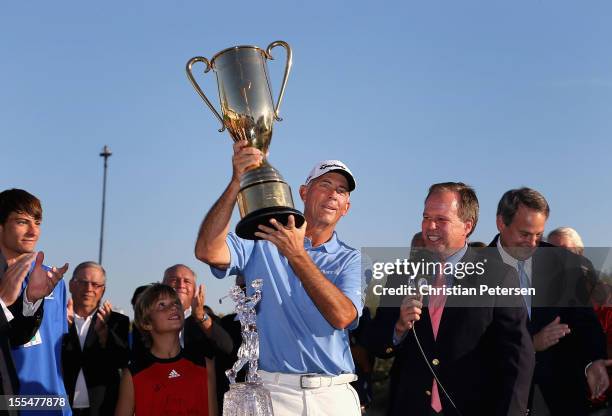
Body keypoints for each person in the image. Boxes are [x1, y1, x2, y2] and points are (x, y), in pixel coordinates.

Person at [195, 141, 363, 416]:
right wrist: (237, 181)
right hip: (274, 392)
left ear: (346, 207)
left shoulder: (350, 258)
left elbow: (342, 316)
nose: (334, 193)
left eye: (341, 190)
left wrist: (296, 255)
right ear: (303, 193)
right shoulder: (262, 238)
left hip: (333, 394)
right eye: (325, 184)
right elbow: (206, 250)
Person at [366, 182, 535, 415]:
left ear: (467, 225)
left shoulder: (500, 276)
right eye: (426, 217)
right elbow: (376, 343)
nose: (430, 226)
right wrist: (399, 328)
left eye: (441, 220)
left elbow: (517, 359)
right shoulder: (402, 274)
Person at [489, 187, 610, 415]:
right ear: (501, 223)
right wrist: (530, 344)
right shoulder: (474, 271)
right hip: (500, 398)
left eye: (538, 235)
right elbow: (470, 344)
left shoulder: (564, 264)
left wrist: (593, 362)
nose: (533, 244)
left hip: (561, 398)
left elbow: (586, 323)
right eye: (525, 234)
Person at [0, 189, 70, 416]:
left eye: (37, 223)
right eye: (22, 222)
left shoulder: (53, 281)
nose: (33, 231)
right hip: (9, 402)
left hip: (50, 403)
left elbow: (54, 350)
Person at [115, 283, 208, 416]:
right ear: (146, 323)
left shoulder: (204, 365)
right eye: (162, 305)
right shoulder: (132, 374)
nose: (174, 307)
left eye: (176, 303)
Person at [62, 261, 129, 416]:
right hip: (60, 406)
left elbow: (122, 360)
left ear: (103, 290)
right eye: (83, 282)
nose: (89, 289)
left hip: (102, 408)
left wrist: (104, 335)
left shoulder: (117, 322)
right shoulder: (56, 320)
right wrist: (61, 328)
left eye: (95, 284)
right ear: (71, 285)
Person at [0, 250, 51, 416]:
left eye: (37, 223)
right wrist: (2, 302)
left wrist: (30, 300)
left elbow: (17, 337)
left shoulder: (45, 276)